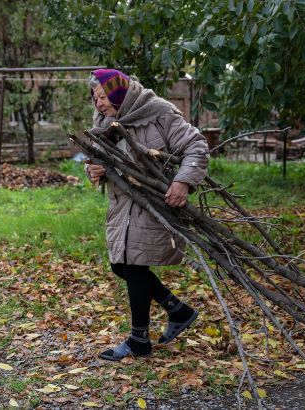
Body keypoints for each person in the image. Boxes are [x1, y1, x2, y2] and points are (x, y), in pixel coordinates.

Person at [84, 69, 209, 361]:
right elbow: (96, 159)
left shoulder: (158, 112)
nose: (99, 103)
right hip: (122, 207)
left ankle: (139, 340)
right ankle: (178, 311)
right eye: (95, 98)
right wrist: (94, 170)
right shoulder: (105, 123)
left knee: (134, 266)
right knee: (121, 266)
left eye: (103, 96)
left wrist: (183, 181)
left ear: (118, 92)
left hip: (154, 203)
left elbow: (196, 146)